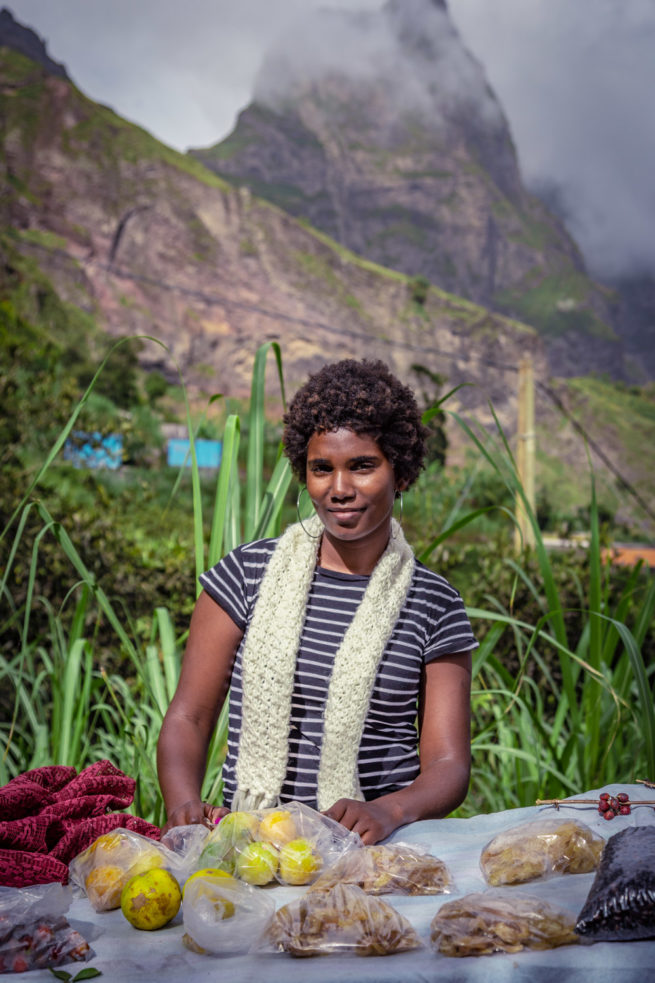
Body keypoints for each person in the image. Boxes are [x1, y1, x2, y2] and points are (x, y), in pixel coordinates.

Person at [157, 359, 477, 844]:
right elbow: (189, 717)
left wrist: (389, 811)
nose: (340, 489)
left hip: (378, 852)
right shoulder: (246, 575)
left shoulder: (434, 603)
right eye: (322, 469)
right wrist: (183, 805)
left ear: (401, 473)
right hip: (253, 849)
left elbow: (448, 764)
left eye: (363, 466)